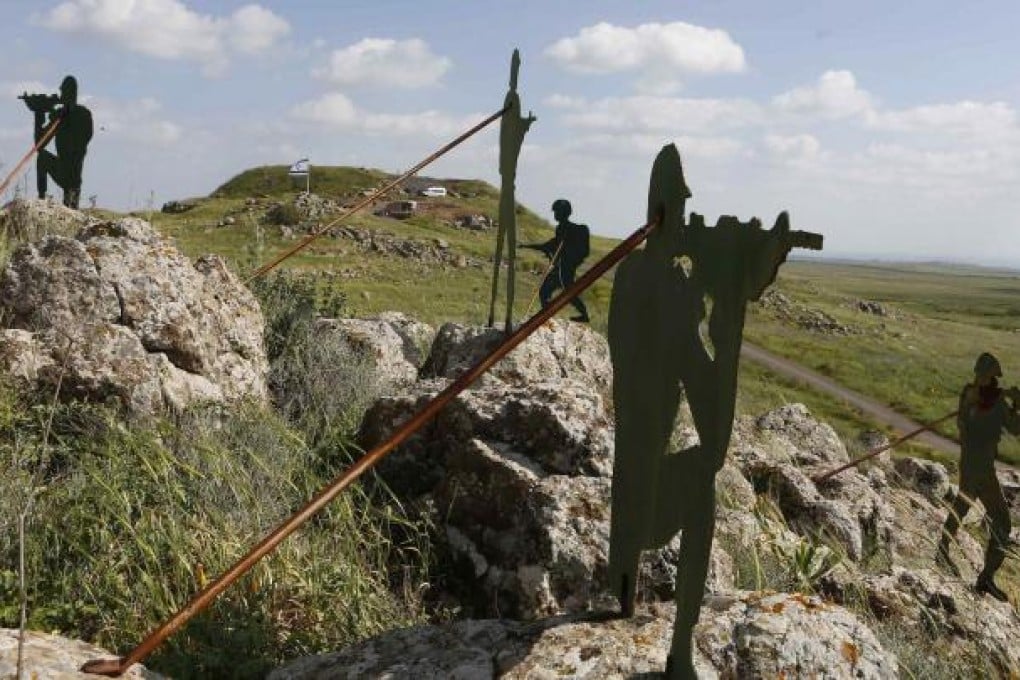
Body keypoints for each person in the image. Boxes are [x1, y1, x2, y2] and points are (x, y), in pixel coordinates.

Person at [938, 352, 1020, 601]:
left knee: (962, 506)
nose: (984, 380)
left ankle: (943, 551)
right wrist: (1015, 404)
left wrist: (1011, 402)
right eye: (984, 376)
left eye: (986, 376)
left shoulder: (973, 395)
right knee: (1002, 523)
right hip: (980, 467)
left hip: (974, 464)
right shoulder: (986, 400)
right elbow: (1016, 429)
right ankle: (984, 579)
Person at [24, 75, 93, 209]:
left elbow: (82, 140)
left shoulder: (82, 114)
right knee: (42, 157)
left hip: (73, 175)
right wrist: (39, 116)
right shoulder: (60, 116)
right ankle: (41, 200)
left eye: (64, 92)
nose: (62, 95)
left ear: (71, 93)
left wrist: (64, 118)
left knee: (71, 206)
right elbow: (40, 145)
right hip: (61, 168)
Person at [521, 198, 590, 322]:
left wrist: (566, 257)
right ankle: (547, 315)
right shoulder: (560, 229)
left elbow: (576, 250)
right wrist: (530, 246)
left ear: (563, 212)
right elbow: (552, 244)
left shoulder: (573, 229)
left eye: (557, 212)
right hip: (560, 267)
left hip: (565, 267)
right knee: (545, 291)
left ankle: (583, 315)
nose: (555, 215)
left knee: (567, 290)